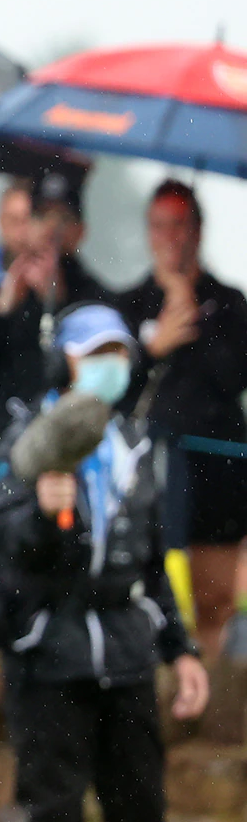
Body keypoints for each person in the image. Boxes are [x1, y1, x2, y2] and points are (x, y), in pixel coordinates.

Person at [0, 303, 208, 822]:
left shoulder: (134, 443)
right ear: (66, 361)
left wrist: (181, 651)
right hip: (49, 658)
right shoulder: (26, 441)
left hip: (127, 658)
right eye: (96, 353)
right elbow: (3, 550)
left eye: (119, 353)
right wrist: (39, 513)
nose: (110, 365)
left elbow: (151, 568)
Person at [114, 180, 247, 654]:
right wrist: (153, 347)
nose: (171, 237)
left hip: (216, 475)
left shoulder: (229, 303)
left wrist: (191, 309)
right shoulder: (127, 305)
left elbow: (233, 378)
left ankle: (210, 696)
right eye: (161, 226)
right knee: (146, 596)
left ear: (198, 231)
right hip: (148, 473)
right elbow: (112, 385)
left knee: (213, 599)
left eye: (180, 225)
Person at [0, 172, 111, 454]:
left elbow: (98, 373)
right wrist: (2, 308)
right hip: (2, 447)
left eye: (62, 219)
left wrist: (58, 302)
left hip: (63, 452)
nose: (50, 229)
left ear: (80, 231)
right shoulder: (4, 287)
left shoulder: (94, 297)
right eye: (41, 217)